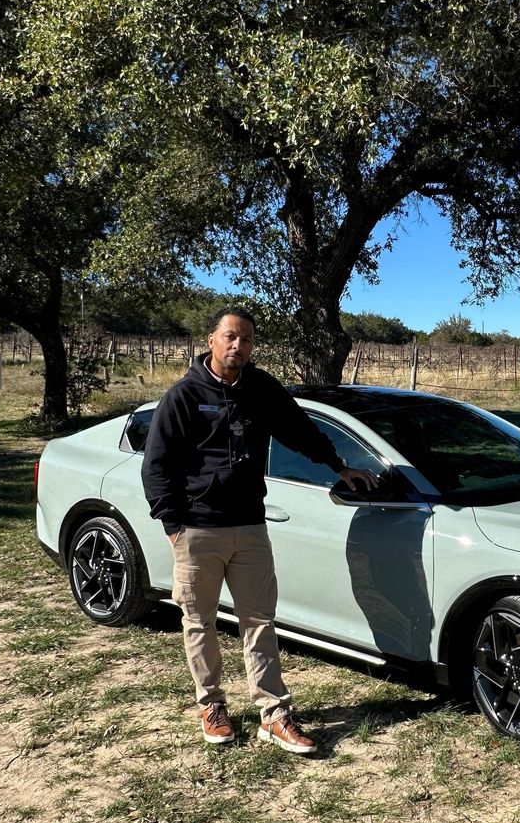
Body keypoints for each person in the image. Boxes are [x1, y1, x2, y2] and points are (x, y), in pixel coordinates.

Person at [141, 308, 376, 752]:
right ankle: (211, 705)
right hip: (197, 528)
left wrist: (338, 467)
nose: (239, 346)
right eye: (231, 337)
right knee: (199, 621)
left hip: (250, 526)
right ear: (211, 339)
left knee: (259, 621)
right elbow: (157, 465)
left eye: (247, 339)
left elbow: (299, 430)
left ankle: (274, 713)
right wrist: (173, 525)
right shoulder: (184, 396)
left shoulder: (262, 389)